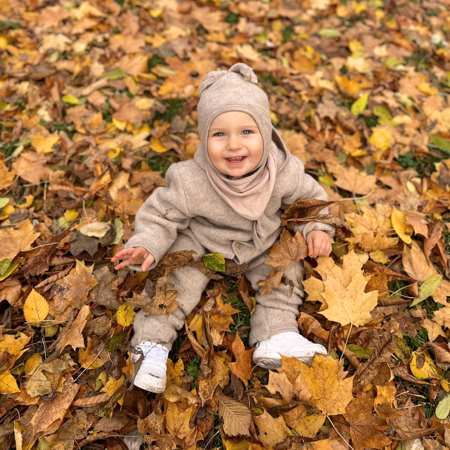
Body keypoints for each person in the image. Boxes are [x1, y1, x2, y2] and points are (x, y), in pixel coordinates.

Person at [111, 63, 335, 393]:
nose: (233, 145)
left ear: (265, 132)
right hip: (203, 245)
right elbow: (162, 214)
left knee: (287, 273)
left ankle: (275, 334)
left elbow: (311, 199)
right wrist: (147, 243)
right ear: (204, 138)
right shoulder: (190, 179)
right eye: (219, 134)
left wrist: (317, 228)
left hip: (263, 243)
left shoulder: (283, 171)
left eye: (246, 132)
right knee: (175, 280)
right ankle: (151, 345)